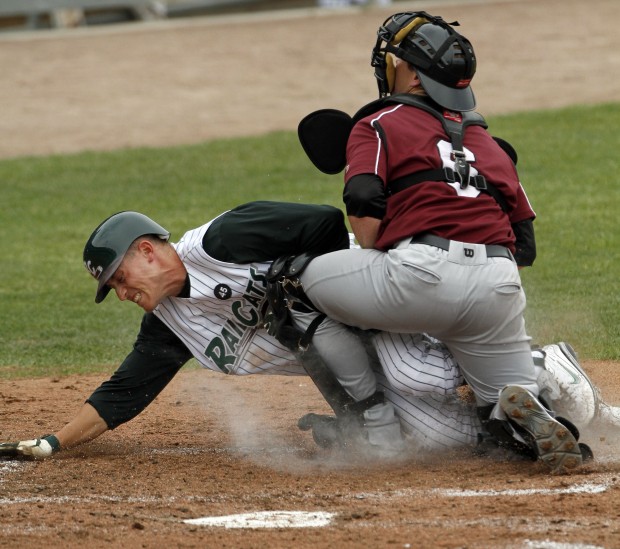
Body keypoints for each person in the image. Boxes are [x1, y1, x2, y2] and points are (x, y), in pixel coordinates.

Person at [285, 12, 587, 473]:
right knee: (500, 414)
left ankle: (373, 418)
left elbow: (364, 199)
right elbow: (524, 243)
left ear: (409, 71)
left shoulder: (379, 121)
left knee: (292, 281)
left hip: (417, 278)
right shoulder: (484, 138)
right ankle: (525, 417)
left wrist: (388, 260)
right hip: (499, 288)